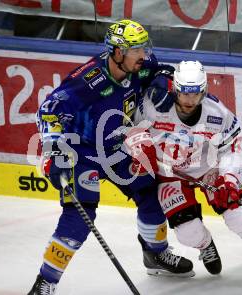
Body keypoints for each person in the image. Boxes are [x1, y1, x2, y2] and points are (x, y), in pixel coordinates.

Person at [28, 20, 194, 295]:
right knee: (80, 217)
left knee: (151, 193)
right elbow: (48, 111)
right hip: (81, 154)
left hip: (116, 147)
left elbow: (163, 70)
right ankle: (46, 282)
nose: (144, 55)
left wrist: (162, 85)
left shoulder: (140, 64)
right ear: (118, 52)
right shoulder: (87, 81)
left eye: (144, 47)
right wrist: (54, 151)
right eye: (136, 50)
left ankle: (156, 253)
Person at [134, 60, 242, 282]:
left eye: (195, 94)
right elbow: (132, 130)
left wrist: (229, 178)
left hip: (208, 169)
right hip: (170, 176)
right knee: (188, 232)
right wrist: (140, 150)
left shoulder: (217, 113)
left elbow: (234, 144)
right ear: (175, 89)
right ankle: (205, 245)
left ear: (203, 91)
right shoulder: (154, 106)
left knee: (238, 217)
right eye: (184, 93)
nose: (190, 101)